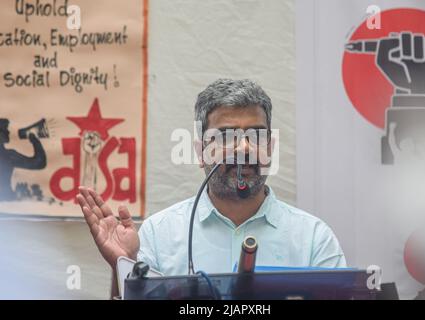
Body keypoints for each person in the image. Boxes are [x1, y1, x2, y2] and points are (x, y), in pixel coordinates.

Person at [76, 79, 346, 298]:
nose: (244, 149)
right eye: (227, 136)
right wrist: (123, 264)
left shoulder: (313, 239)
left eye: (256, 136)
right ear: (201, 152)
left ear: (270, 149)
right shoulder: (159, 235)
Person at [0, 119, 47, 201]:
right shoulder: (8, 155)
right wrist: (34, 140)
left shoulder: (8, 155)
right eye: (5, 129)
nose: (8, 132)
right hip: (6, 201)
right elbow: (39, 163)